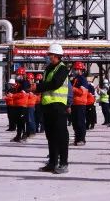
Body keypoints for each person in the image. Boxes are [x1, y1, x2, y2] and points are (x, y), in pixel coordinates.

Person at [36, 44, 70, 174]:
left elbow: (55, 83)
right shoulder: (48, 69)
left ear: (56, 55)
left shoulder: (62, 69)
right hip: (47, 106)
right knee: (51, 136)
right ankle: (52, 162)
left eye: (50, 55)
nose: (48, 57)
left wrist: (38, 87)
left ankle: (63, 163)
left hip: (58, 106)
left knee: (61, 136)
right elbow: (46, 84)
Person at [70, 64, 93, 146]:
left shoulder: (82, 79)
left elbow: (81, 92)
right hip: (74, 103)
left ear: (80, 70)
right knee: (75, 122)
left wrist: (72, 89)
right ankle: (77, 139)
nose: (74, 71)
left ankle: (82, 139)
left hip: (80, 103)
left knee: (80, 122)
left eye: (75, 69)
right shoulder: (75, 79)